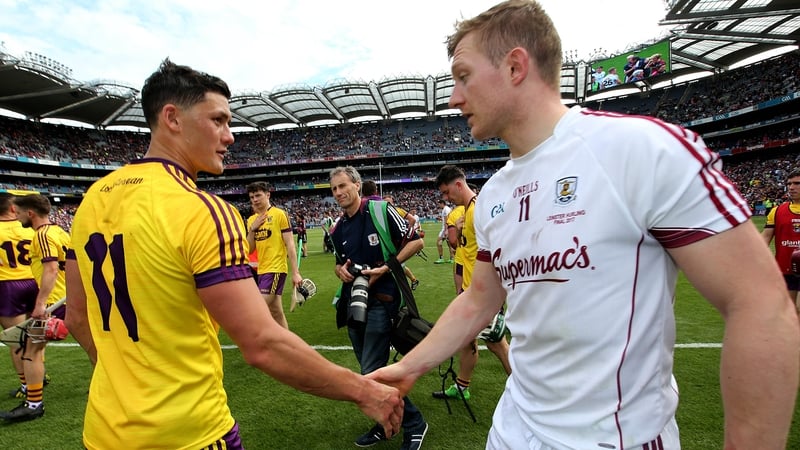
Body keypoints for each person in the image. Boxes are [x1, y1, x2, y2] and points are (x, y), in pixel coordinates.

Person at [368, 2, 800, 450]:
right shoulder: (494, 193)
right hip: (511, 431)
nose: (454, 97)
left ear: (515, 66)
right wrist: (410, 367)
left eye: (463, 76)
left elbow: (761, 303)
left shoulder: (641, 150)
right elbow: (479, 300)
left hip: (614, 440)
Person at [64, 59, 403, 450]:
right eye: (219, 121)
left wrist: (126, 383)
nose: (230, 136)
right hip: (190, 432)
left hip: (104, 431)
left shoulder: (93, 199)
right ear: (172, 118)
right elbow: (261, 343)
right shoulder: (202, 209)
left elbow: (76, 317)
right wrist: (364, 391)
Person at [328, 166, 428, 450]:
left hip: (382, 302)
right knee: (370, 368)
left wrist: (386, 267)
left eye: (343, 186)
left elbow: (417, 240)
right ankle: (387, 421)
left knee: (371, 370)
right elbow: (338, 262)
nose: (339, 193)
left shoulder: (381, 211)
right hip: (352, 304)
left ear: (357, 185)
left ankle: (414, 423)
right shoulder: (338, 229)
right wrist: (341, 272)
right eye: (334, 189)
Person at [431, 165, 510, 402]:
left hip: (484, 293)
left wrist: (497, 295)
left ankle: (525, 390)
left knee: (497, 344)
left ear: (458, 184)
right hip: (470, 291)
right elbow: (463, 250)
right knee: (467, 341)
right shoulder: (465, 212)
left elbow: (499, 251)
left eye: (446, 192)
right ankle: (462, 385)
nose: (445, 198)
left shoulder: (478, 211)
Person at [1, 194, 69, 423]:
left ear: (28, 213)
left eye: (20, 213)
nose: (18, 216)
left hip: (42, 298)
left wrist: (41, 303)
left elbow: (50, 268)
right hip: (51, 292)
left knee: (26, 347)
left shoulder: (40, 234)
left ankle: (32, 400)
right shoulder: (54, 231)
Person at [245, 181, 302, 329]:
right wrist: (252, 229)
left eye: (258, 195)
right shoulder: (252, 220)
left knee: (257, 309)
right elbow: (249, 249)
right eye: (252, 197)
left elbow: (290, 244)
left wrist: (295, 273)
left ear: (268, 195)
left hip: (275, 269)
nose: (255, 200)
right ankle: (288, 345)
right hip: (261, 271)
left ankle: (264, 345)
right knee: (276, 312)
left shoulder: (279, 214)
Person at [0, 194, 39, 404]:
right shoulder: (28, 229)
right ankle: (38, 373)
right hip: (33, 282)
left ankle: (26, 385)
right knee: (35, 335)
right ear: (13, 209)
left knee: (15, 340)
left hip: (7, 285)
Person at [761, 169, 800, 312]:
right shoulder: (776, 211)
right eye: (789, 183)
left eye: (797, 183)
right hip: (785, 269)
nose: (791, 187)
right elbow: (765, 237)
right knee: (790, 310)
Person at [382, 194, 421, 290]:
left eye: (390, 202)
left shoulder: (398, 210)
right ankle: (413, 280)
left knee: (395, 264)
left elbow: (412, 219)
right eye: (386, 202)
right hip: (390, 242)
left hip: (397, 243)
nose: (388, 204)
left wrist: (407, 235)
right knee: (398, 264)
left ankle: (403, 289)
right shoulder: (383, 211)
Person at [435, 199, 454, 264]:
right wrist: (440, 219)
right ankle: (452, 258)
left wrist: (446, 231)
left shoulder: (445, 210)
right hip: (449, 228)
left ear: (442, 203)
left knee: (438, 243)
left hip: (445, 229)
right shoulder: (447, 209)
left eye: (439, 204)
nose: (438, 205)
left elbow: (447, 220)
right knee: (449, 245)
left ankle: (441, 258)